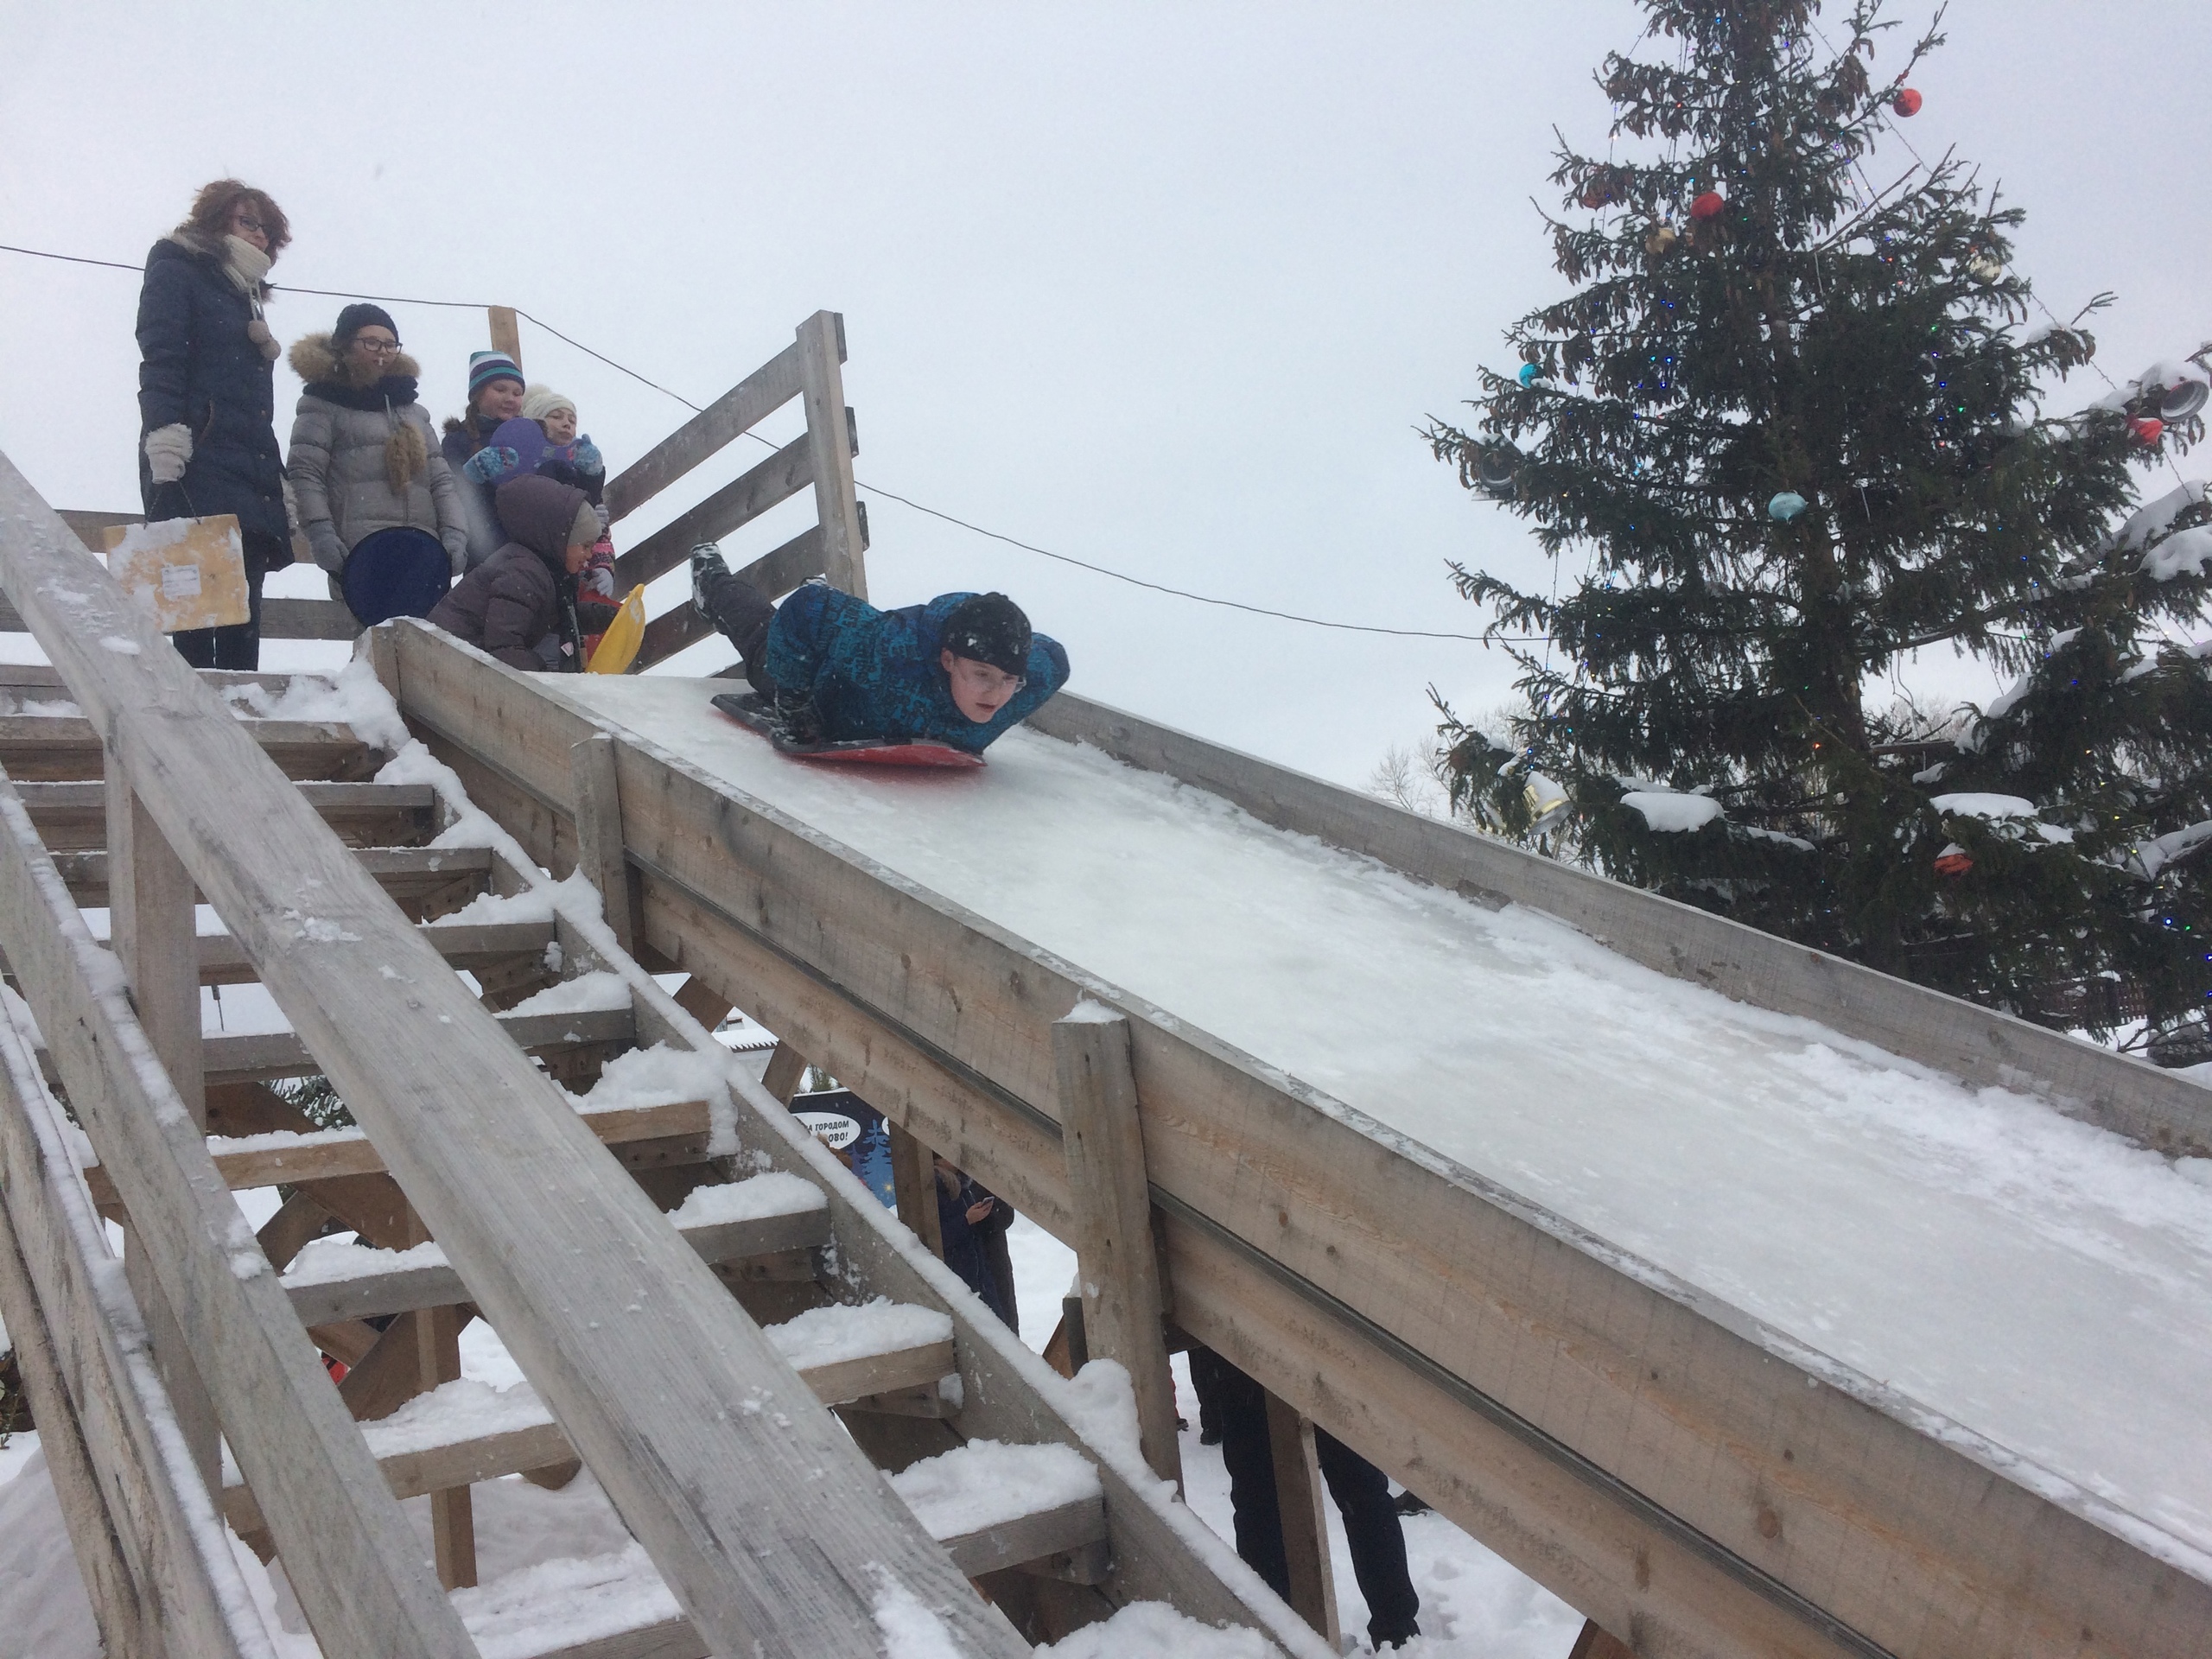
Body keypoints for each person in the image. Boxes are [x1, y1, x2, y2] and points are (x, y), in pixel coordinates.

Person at [689, 543, 1069, 753]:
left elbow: (1054, 658)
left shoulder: (1027, 682)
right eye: (982, 675)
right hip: (824, 683)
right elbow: (806, 608)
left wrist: (1004, 644)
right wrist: (794, 702)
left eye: (1008, 679)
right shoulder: (889, 651)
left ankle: (829, 601)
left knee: (832, 618)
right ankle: (711, 581)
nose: (995, 693)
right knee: (763, 639)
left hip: (855, 637)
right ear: (948, 660)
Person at [135, 179, 293, 669]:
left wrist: (275, 473)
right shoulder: (177, 270)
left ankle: (241, 710)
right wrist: (165, 435)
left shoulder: (245, 293)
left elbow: (255, 405)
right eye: (249, 222)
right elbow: (162, 358)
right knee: (196, 613)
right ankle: (196, 713)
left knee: (244, 612)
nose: (261, 236)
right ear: (216, 218)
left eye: (268, 231)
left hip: (248, 468)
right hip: (196, 461)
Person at [1185, 1345, 1421, 1650]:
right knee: (1353, 1493)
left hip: (1288, 1346)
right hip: (1299, 1346)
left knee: (1267, 1496)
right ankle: (1394, 1631)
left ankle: (1275, 1633)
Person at [285, 304, 469, 614]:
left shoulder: (414, 411)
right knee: (370, 641)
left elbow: (441, 481)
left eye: (390, 344)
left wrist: (454, 536)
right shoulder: (321, 404)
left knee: (425, 640)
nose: (382, 351)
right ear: (344, 346)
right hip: (359, 557)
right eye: (371, 342)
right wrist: (322, 535)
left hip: (423, 556)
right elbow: (305, 475)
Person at [426, 475, 617, 671]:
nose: (589, 555)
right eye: (585, 546)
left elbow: (559, 614)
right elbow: (503, 646)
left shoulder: (548, 569)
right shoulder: (524, 573)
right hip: (443, 659)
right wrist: (545, 678)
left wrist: (610, 617)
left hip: (462, 659)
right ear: (562, 541)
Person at [441, 350, 526, 569]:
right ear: (477, 394)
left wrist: (589, 475)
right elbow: (449, 494)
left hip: (531, 551)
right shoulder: (458, 440)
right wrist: (472, 475)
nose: (510, 398)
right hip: (484, 554)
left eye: (517, 393)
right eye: (500, 389)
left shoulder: (530, 437)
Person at [461, 384, 607, 505]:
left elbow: (590, 500)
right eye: (556, 417)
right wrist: (477, 472)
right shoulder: (517, 456)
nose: (566, 424)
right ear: (536, 423)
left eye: (572, 421)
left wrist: (593, 474)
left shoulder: (573, 466)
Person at [932, 1154, 1016, 1331]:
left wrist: (984, 1217)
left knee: (1002, 1325)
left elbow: (1005, 1214)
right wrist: (967, 1221)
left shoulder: (966, 1183)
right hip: (961, 1273)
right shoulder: (934, 1187)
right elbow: (936, 1236)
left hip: (985, 1267)